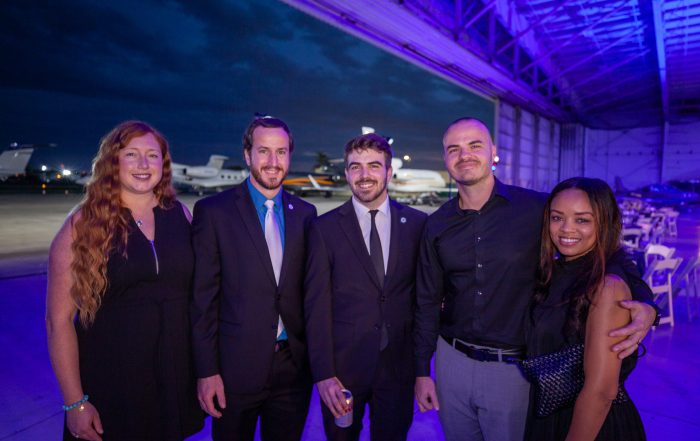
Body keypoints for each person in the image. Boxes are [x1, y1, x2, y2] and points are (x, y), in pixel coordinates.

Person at [413, 117, 656, 441]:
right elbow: (427, 300)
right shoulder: (437, 224)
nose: (464, 155)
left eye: (474, 145)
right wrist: (422, 370)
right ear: (445, 158)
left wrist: (646, 303)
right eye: (453, 148)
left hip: (514, 370)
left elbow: (606, 251)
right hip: (452, 362)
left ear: (493, 152)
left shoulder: (537, 209)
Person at [46, 120, 203, 441]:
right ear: (113, 161)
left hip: (172, 377)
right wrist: (75, 402)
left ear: (164, 164)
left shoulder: (181, 215)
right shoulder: (83, 224)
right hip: (112, 382)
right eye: (131, 154)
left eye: (152, 155)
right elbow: (57, 321)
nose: (143, 164)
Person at [190, 116, 316, 441]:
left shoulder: (306, 214)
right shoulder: (214, 212)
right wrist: (207, 371)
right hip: (234, 370)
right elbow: (203, 300)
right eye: (263, 151)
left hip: (292, 369)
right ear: (247, 155)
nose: (273, 162)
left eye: (281, 152)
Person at [304, 133, 427, 440]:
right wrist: (323, 374)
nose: (364, 174)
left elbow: (423, 299)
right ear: (347, 173)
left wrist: (422, 368)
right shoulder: (324, 229)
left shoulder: (417, 225)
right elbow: (316, 306)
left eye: (374, 165)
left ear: (389, 172)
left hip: (398, 369)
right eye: (355, 167)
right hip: (342, 372)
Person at [525, 177, 646, 440]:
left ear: (604, 223)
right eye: (557, 218)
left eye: (582, 220)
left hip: (590, 426)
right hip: (549, 414)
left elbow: (600, 392)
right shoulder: (556, 272)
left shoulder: (607, 287)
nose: (566, 229)